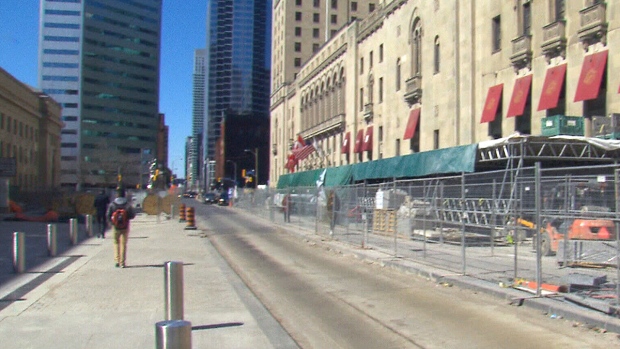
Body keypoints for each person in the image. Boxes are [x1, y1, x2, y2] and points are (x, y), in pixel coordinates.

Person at [106, 190, 136, 268]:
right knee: (123, 244)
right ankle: (122, 262)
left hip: (116, 226)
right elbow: (132, 215)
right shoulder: (127, 205)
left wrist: (112, 223)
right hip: (125, 226)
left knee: (116, 243)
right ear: (124, 195)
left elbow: (108, 215)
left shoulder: (112, 204)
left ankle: (117, 260)